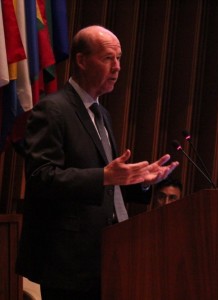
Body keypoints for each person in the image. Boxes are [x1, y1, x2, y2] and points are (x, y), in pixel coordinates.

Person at [15, 25, 179, 299]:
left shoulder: (101, 113)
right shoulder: (53, 110)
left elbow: (108, 182)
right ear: (81, 60)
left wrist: (139, 179)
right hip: (68, 263)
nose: (117, 67)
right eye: (108, 58)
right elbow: (41, 178)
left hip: (104, 257)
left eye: (119, 58)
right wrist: (104, 175)